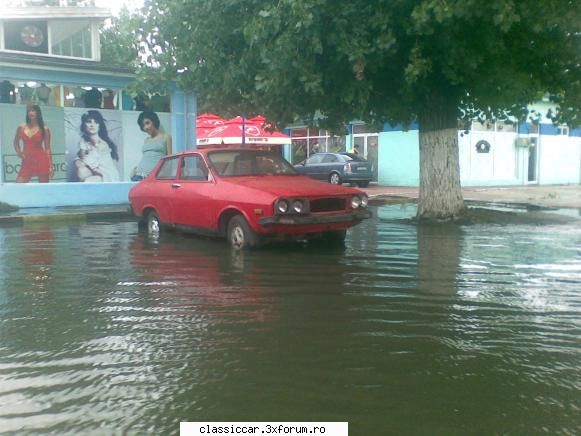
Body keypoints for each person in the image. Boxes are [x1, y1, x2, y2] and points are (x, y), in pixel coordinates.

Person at [75, 110, 120, 182]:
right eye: (89, 121)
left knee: (88, 180)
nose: (92, 125)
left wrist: (79, 162)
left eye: (96, 122)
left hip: (106, 174)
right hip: (94, 170)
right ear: (84, 124)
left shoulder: (101, 144)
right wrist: (78, 161)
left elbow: (83, 162)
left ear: (100, 125)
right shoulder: (84, 141)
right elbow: (81, 160)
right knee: (81, 171)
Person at [13, 105, 53, 183]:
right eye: (29, 111)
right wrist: (19, 152)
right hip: (27, 161)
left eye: (33, 111)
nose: (30, 113)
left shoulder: (45, 129)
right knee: (19, 183)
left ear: (38, 113)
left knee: (43, 188)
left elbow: (47, 149)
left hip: (41, 160)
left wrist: (50, 166)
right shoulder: (21, 127)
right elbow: (16, 142)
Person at [132, 111, 172, 180]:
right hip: (138, 175)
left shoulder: (166, 137)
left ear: (154, 121)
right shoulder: (146, 140)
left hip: (155, 178)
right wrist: (134, 171)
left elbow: (170, 160)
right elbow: (146, 157)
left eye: (147, 123)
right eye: (143, 125)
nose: (146, 127)